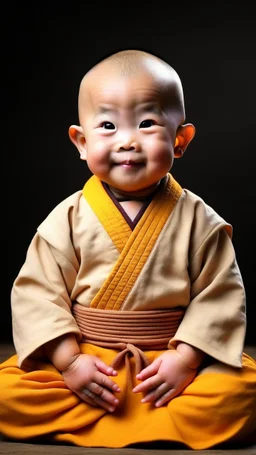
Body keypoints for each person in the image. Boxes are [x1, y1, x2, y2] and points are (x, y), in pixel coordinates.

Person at [0, 49, 255, 450]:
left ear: (180, 140)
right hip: (87, 361)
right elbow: (38, 293)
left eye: (147, 123)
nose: (127, 141)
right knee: (8, 393)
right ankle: (124, 411)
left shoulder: (200, 220)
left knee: (237, 397)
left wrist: (186, 361)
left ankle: (134, 412)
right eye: (107, 125)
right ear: (81, 142)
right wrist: (70, 363)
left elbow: (220, 297)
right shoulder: (66, 218)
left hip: (167, 364)